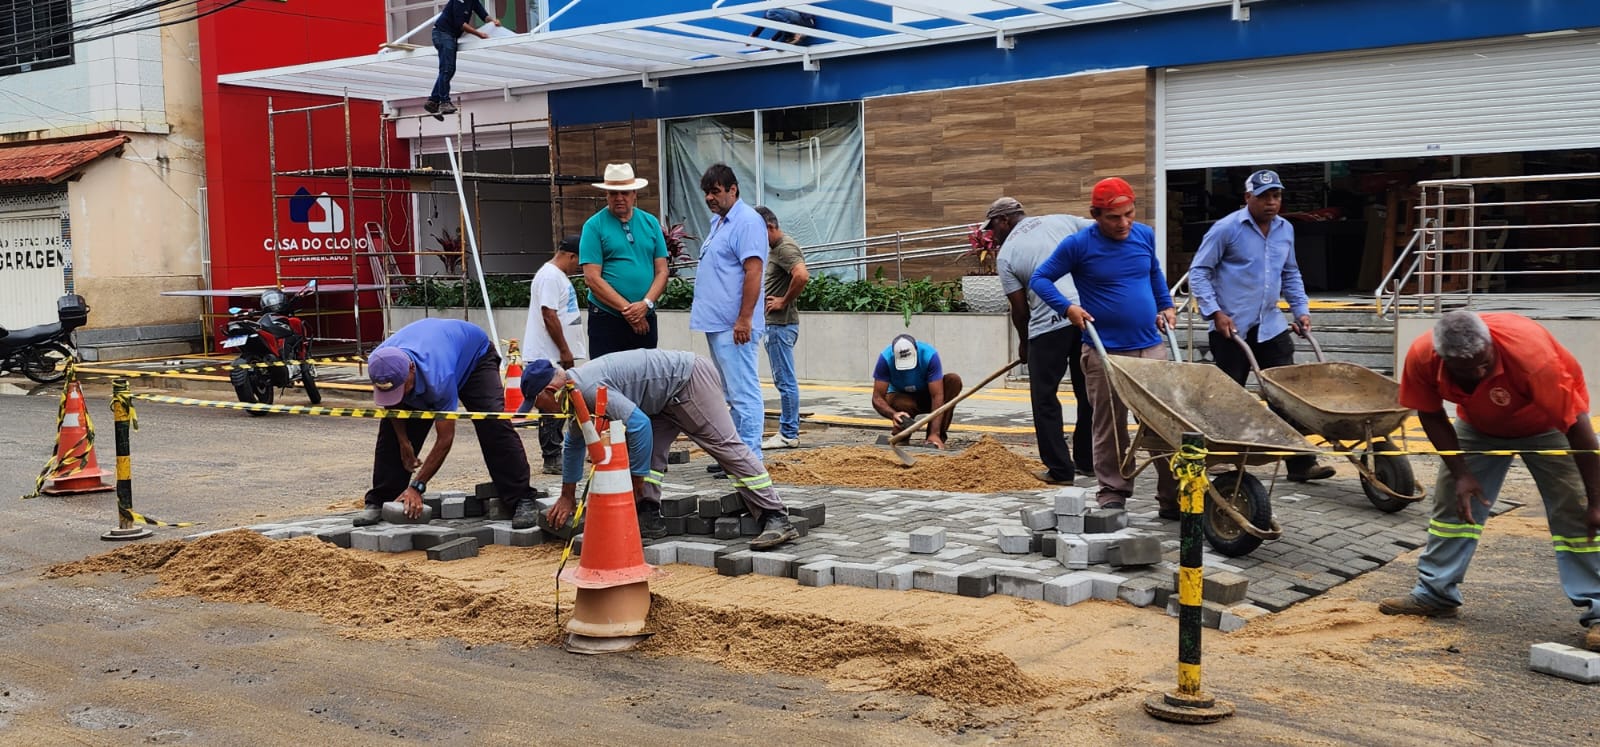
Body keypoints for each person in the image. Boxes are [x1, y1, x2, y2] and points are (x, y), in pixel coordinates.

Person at [1379, 311, 1600, 652]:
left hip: (1547, 424)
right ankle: (1435, 594)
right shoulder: (1423, 356)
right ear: (1444, 360)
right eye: (1467, 370)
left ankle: (1598, 611)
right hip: (1480, 427)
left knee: (1578, 512)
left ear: (1491, 346)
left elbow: (1580, 430)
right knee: (1453, 505)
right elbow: (1431, 414)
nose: (1480, 373)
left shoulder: (1532, 358)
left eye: (1485, 363)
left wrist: (1597, 500)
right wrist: (1461, 473)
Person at [521, 352, 800, 551]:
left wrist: (636, 480)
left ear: (549, 390)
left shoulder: (588, 388)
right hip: (662, 400)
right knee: (650, 452)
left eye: (539, 404)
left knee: (725, 448)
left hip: (687, 381)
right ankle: (648, 514)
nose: (540, 411)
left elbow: (638, 425)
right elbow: (574, 442)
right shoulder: (573, 391)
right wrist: (567, 497)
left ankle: (775, 515)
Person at [1029, 177, 1179, 517]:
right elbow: (1040, 278)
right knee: (1110, 425)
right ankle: (1113, 491)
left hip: (1151, 346)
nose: (1124, 223)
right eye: (1114, 217)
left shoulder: (1143, 235)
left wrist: (1165, 304)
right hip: (1104, 351)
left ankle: (1172, 498)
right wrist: (1068, 308)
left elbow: (1154, 272)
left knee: (1163, 424)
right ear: (1096, 215)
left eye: (1129, 214)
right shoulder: (1078, 245)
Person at [1189, 169, 1335, 483]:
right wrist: (1215, 313)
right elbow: (1199, 273)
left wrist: (1300, 310)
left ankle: (1301, 463)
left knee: (1286, 393)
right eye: (1264, 196)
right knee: (1228, 397)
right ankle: (1215, 457)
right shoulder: (1226, 229)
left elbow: (1291, 273)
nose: (1272, 203)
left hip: (1271, 325)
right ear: (1248, 198)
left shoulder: (1285, 230)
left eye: (1276, 196)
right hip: (1231, 329)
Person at [358, 318, 537, 529]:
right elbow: (392, 405)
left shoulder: (439, 377)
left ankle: (521, 498)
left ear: (411, 369)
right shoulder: (382, 361)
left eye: (401, 387)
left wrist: (418, 486)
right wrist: (403, 442)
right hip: (438, 350)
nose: (397, 395)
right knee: (390, 434)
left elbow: (445, 439)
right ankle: (381, 500)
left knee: (493, 424)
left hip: (475, 359)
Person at [986, 196, 1095, 485]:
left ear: (1004, 220)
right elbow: (1100, 228)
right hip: (1085, 317)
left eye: (993, 227)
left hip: (1048, 326)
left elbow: (1020, 310)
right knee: (1088, 393)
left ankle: (1060, 470)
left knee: (1045, 398)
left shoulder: (1007, 253)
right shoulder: (1062, 220)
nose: (992, 234)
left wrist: (1025, 344)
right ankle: (1088, 461)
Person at [693, 163, 769, 466]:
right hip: (719, 323)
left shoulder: (747, 222)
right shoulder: (720, 222)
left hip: (735, 325)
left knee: (743, 392)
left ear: (733, 190)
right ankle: (736, 454)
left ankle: (749, 458)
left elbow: (754, 272)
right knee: (731, 394)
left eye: (715, 191)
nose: (710, 198)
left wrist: (744, 319)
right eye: (706, 193)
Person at [580, 163, 669, 359]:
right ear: (606, 195)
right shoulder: (593, 226)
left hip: (645, 314)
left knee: (645, 377)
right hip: (607, 317)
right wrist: (629, 311)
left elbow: (662, 271)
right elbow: (592, 279)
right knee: (606, 379)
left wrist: (645, 304)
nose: (619, 198)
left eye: (625, 193)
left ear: (634, 193)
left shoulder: (650, 222)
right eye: (613, 193)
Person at [516, 235, 585, 475]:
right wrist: (565, 349)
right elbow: (549, 314)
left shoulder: (554, 276)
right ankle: (552, 457)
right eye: (578, 261)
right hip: (548, 355)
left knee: (559, 405)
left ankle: (558, 454)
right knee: (551, 406)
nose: (578, 267)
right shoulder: (550, 277)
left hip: (554, 354)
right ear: (571, 255)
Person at [756, 205, 810, 450]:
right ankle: (788, 430)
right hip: (777, 326)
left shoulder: (785, 248)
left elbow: (802, 276)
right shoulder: (777, 249)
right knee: (783, 379)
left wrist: (783, 301)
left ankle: (788, 433)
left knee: (785, 381)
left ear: (769, 226)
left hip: (781, 325)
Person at [871, 334, 963, 450]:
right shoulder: (885, 359)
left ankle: (935, 438)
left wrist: (934, 433)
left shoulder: (929, 355)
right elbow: (877, 397)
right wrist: (893, 414)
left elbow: (937, 396)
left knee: (953, 381)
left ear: (916, 351)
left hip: (927, 395)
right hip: (902, 398)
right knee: (901, 403)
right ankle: (902, 435)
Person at [426, 0, 498, 117]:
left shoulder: (472, 1)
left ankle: (433, 101)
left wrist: (493, 21)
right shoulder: (459, 1)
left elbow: (484, 15)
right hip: (443, 33)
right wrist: (479, 34)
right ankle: (444, 102)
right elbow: (461, 24)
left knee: (448, 69)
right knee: (447, 68)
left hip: (448, 35)